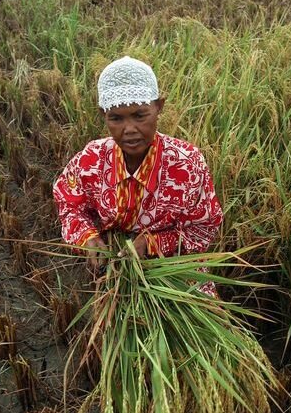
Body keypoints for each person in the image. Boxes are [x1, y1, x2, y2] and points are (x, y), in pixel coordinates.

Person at [53, 56, 223, 295]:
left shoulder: (187, 164)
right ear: (104, 114)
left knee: (206, 327)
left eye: (140, 115)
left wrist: (151, 243)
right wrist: (87, 237)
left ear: (159, 107)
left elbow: (203, 226)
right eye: (116, 118)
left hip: (177, 274)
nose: (129, 129)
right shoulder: (90, 160)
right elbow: (70, 205)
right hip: (112, 271)